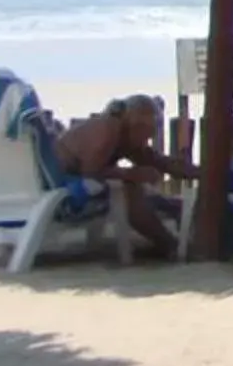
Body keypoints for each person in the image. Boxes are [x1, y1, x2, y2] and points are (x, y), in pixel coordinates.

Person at [50, 94, 194, 260]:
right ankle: (169, 245)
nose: (146, 140)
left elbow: (160, 162)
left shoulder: (124, 134)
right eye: (146, 134)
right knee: (128, 189)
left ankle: (169, 240)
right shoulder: (108, 129)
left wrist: (206, 172)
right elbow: (91, 171)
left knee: (133, 185)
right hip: (64, 186)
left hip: (70, 181)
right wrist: (131, 174)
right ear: (135, 123)